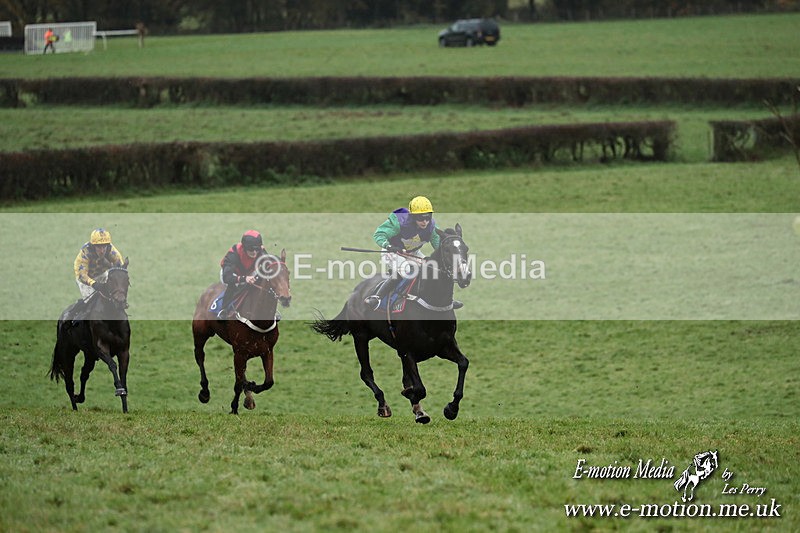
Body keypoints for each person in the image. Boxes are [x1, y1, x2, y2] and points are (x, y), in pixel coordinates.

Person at [364, 195, 462, 310]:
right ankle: (377, 297)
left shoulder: (431, 228)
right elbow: (379, 234)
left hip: (413, 253)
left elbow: (438, 246)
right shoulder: (399, 222)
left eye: (428, 218)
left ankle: (444, 299)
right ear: (413, 216)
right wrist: (389, 246)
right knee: (405, 270)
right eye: (421, 218)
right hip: (391, 252)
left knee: (432, 268)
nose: (425, 222)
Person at [72, 228, 125, 320]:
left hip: (102, 274)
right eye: (99, 247)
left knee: (111, 296)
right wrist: (94, 284)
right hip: (85, 279)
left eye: (104, 246)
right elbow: (81, 275)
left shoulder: (112, 251)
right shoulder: (85, 252)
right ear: (93, 246)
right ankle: (81, 316)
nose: (102, 251)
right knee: (91, 302)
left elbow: (119, 267)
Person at [217, 230, 266, 319]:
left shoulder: (261, 251)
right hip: (231, 275)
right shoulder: (234, 253)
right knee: (233, 285)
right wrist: (244, 279)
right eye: (251, 249)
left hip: (250, 272)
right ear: (244, 247)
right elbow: (227, 278)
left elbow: (269, 264)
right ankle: (224, 310)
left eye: (257, 249)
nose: (254, 252)